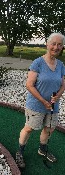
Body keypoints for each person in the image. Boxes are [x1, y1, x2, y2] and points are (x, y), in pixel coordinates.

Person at [16, 32, 65, 169]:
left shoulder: (60, 65)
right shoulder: (37, 63)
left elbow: (63, 84)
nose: (56, 47)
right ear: (47, 44)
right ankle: (20, 152)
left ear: (62, 47)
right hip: (36, 105)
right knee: (29, 128)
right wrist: (43, 101)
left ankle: (42, 149)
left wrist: (58, 95)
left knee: (49, 128)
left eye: (60, 44)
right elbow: (29, 85)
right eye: (53, 44)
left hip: (53, 106)